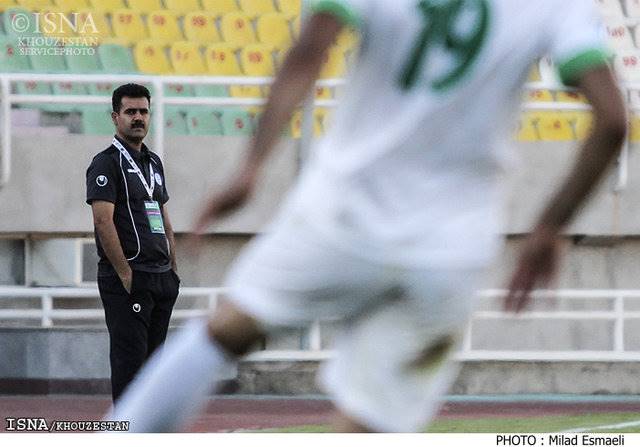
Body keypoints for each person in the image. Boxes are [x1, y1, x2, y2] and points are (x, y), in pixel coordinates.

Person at [109, 0, 627, 432]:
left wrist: (251, 166)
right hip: (448, 249)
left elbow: (310, 49)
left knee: (225, 332)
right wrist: (549, 229)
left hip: (345, 216)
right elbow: (612, 120)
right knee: (365, 424)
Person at [86, 83, 180, 402]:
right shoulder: (105, 163)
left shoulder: (153, 162)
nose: (138, 117)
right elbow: (102, 220)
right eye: (130, 112)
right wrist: (125, 274)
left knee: (156, 370)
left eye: (143, 111)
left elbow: (164, 216)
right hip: (129, 278)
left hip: (161, 277)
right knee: (130, 368)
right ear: (116, 117)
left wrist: (173, 269)